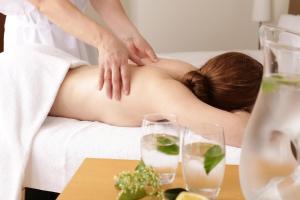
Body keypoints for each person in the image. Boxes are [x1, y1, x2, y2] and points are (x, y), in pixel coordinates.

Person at [50, 52, 263, 147]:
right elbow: (246, 133)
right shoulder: (170, 97)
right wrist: (247, 110)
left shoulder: (188, 72)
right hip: (37, 85)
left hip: (52, 67)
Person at [0, 0, 157, 100]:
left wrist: (128, 36)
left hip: (81, 35)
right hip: (32, 44)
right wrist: (104, 40)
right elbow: (46, 2)